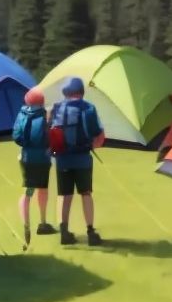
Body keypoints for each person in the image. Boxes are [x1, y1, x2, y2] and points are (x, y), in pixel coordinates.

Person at [48, 76, 105, 245]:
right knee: (85, 193)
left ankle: (64, 232)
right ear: (81, 91)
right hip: (82, 159)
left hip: (62, 159)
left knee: (64, 195)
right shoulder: (88, 108)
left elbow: (49, 130)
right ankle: (91, 232)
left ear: (65, 92)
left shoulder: (56, 108)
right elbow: (98, 135)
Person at [11, 88, 55, 247]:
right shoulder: (46, 115)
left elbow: (16, 136)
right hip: (42, 159)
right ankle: (43, 223)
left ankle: (26, 225)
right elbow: (52, 137)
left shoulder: (22, 114)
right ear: (42, 101)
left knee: (28, 191)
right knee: (42, 189)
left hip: (26, 158)